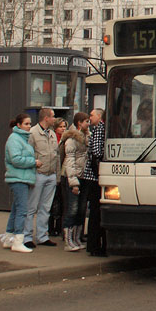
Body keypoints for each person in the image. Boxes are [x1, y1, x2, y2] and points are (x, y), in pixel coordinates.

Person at [24, 107, 60, 248]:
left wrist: (56, 176)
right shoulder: (33, 133)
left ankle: (42, 236)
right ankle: (27, 236)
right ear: (46, 118)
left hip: (50, 174)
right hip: (38, 173)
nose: (54, 119)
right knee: (31, 207)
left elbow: (56, 156)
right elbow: (28, 153)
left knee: (46, 207)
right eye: (53, 116)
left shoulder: (51, 134)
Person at [2, 114, 35, 253]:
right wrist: (34, 162)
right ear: (19, 125)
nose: (29, 126)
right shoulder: (15, 139)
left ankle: (9, 237)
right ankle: (18, 241)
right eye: (26, 124)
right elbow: (15, 159)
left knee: (16, 209)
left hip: (22, 178)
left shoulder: (21, 139)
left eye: (30, 124)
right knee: (22, 210)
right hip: (18, 178)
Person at [78, 108, 106, 256]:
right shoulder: (100, 129)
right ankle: (95, 245)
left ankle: (92, 244)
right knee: (96, 211)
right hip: (95, 176)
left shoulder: (98, 128)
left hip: (91, 175)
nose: (90, 117)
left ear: (100, 116)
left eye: (92, 115)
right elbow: (97, 151)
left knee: (94, 210)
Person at [61, 112, 90, 251]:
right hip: (75, 177)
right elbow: (69, 161)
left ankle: (77, 238)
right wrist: (73, 182)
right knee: (72, 209)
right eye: (86, 121)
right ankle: (68, 240)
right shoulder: (72, 139)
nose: (88, 124)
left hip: (84, 176)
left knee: (81, 209)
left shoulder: (86, 136)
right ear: (79, 123)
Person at [48, 117, 69, 237]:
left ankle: (59, 227)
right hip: (53, 173)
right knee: (52, 203)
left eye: (64, 126)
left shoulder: (66, 139)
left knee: (61, 202)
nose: (63, 129)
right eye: (60, 126)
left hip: (62, 173)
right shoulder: (53, 139)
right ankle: (50, 227)